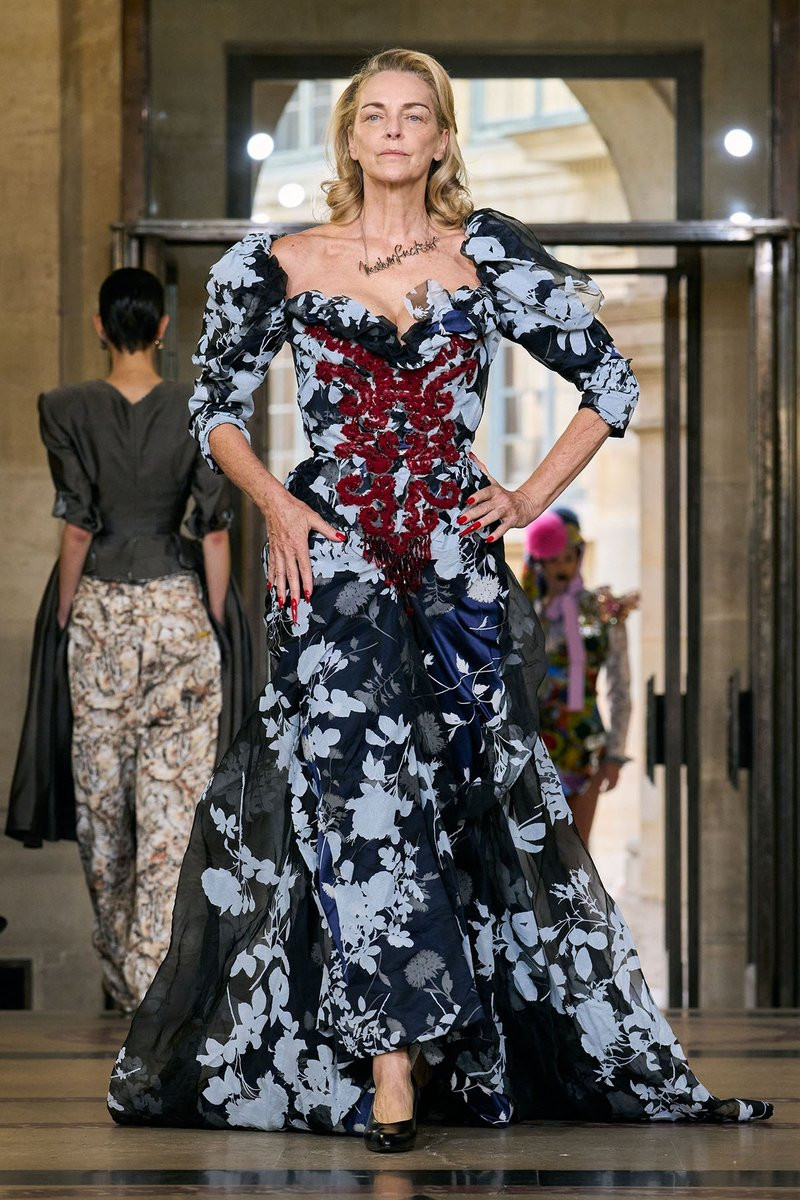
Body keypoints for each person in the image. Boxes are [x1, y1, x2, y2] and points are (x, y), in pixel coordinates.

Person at [108, 49, 771, 1147]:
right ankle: (390, 1070)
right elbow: (213, 410)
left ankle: (461, 1051)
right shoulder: (282, 262)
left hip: (456, 571)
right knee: (359, 799)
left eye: (415, 115)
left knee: (466, 800)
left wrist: (523, 497)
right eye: (374, 114)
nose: (393, 129)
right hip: (333, 565)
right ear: (350, 136)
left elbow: (609, 382)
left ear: (442, 138)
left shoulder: (485, 255)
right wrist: (276, 506)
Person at [8, 268, 235, 1014]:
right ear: (164, 328)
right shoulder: (200, 405)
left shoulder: (63, 407)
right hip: (177, 612)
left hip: (102, 611)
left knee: (102, 814)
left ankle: (125, 970)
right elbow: (213, 530)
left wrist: (64, 618)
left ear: (101, 327)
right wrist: (215, 622)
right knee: (171, 815)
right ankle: (152, 980)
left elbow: (79, 523)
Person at [523, 507, 638, 844]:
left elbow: (621, 687)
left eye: (569, 557)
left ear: (579, 557)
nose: (562, 567)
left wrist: (615, 753)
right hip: (533, 745)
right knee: (536, 849)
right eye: (553, 559)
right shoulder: (523, 613)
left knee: (577, 850)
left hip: (586, 745)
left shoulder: (603, 611)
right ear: (539, 562)